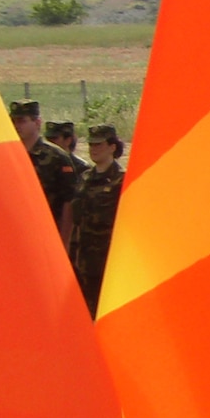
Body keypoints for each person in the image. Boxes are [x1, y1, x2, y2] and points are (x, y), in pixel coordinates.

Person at [66, 124, 126, 315]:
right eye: (91, 145)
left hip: (108, 260)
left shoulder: (121, 180)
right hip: (83, 259)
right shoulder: (85, 178)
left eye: (99, 144)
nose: (94, 149)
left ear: (112, 147)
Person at [11, 100, 81, 237]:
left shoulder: (56, 157)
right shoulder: (8, 155)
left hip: (47, 234)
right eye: (13, 121)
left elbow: (69, 202)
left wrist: (64, 241)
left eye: (22, 121)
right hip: (16, 233)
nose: (16, 126)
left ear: (37, 123)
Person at [45, 120, 90, 196]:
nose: (50, 143)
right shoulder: (43, 163)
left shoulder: (81, 168)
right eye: (48, 139)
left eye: (54, 139)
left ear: (68, 141)